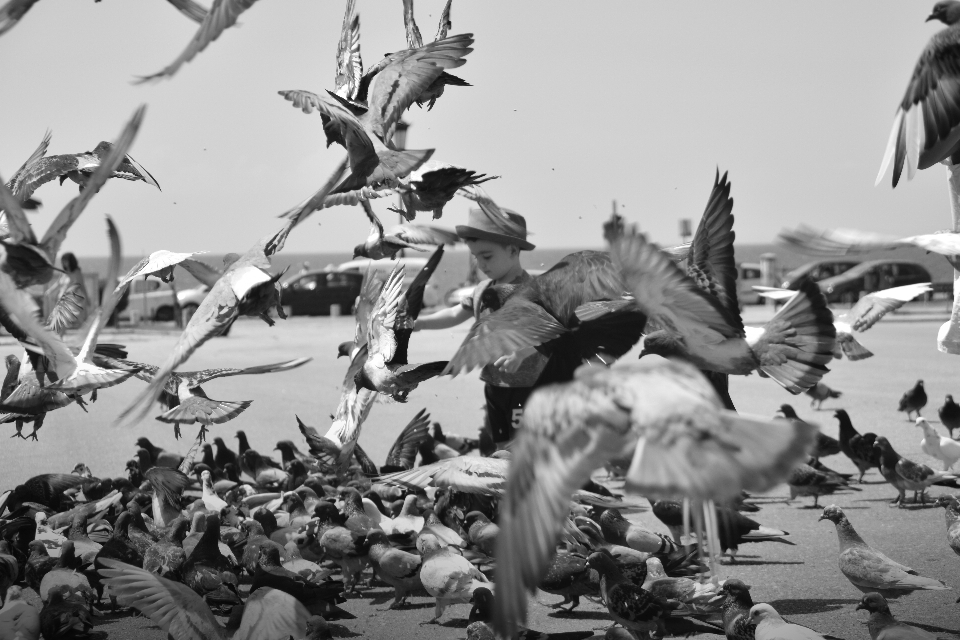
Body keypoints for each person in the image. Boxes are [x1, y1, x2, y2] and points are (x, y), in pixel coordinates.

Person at [416, 206, 547, 448]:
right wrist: (422, 322)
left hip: (528, 386)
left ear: (512, 250)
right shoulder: (482, 290)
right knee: (500, 445)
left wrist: (521, 353)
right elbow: (456, 313)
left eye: (487, 257)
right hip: (494, 384)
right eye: (476, 257)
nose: (481, 264)